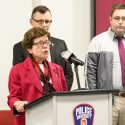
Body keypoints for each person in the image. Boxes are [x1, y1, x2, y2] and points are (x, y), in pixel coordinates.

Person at [8, 27, 68, 125]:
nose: (45, 46)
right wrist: (17, 103)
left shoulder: (58, 69)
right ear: (29, 49)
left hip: (55, 119)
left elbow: (64, 95)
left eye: (47, 42)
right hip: (30, 119)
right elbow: (13, 97)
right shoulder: (17, 70)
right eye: (40, 43)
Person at [13, 5, 73, 91]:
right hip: (34, 99)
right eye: (40, 21)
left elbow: (68, 74)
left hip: (58, 98)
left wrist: (61, 95)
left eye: (47, 21)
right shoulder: (20, 47)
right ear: (31, 21)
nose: (44, 25)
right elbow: (18, 76)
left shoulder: (61, 44)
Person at [85, 3, 125, 125]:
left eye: (124, 19)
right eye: (117, 18)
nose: (120, 22)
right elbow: (89, 73)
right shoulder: (98, 41)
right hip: (108, 101)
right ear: (110, 19)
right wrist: (95, 99)